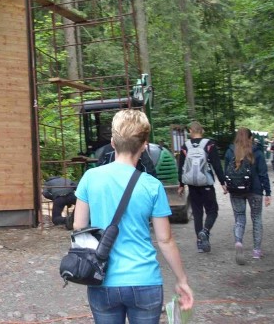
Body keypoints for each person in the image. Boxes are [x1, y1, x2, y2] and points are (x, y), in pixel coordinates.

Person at [74, 109, 193, 323]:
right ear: (144, 144)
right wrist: (181, 279)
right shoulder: (152, 185)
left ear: (112, 142)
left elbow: (79, 228)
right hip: (144, 281)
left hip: (103, 281)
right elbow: (165, 240)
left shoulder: (90, 178)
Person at [177, 121, 227, 253]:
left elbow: (181, 167)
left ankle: (200, 244)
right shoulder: (209, 144)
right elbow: (216, 165)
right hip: (206, 184)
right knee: (213, 210)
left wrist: (181, 185)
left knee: (197, 213)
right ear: (202, 130)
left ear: (190, 131)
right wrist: (223, 183)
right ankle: (205, 232)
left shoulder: (185, 146)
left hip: (192, 185)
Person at [224, 127, 272, 263]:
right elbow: (263, 173)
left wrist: (226, 186)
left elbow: (225, 172)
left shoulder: (229, 152)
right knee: (256, 218)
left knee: (239, 218)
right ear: (250, 138)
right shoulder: (256, 151)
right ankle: (256, 251)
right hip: (255, 190)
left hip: (235, 191)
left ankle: (239, 242)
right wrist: (268, 192)